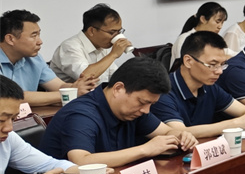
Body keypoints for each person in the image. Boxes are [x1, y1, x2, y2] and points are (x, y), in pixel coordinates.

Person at [41, 57, 196, 167]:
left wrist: (181, 136)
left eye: (151, 104)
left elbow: (167, 132)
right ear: (118, 88)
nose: (146, 110)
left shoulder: (136, 111)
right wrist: (145, 149)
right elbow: (81, 161)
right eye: (143, 102)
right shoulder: (81, 114)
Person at [153, 31, 245, 137]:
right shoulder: (163, 92)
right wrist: (236, 124)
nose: (219, 71)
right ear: (188, 61)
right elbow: (179, 132)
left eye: (222, 65)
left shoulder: (209, 87)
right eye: (212, 65)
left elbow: (244, 111)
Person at [0, 76, 81, 174]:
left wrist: (87, 172)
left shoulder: (8, 139)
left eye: (13, 119)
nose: (9, 128)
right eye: (1, 120)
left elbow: (50, 165)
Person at [49, 3, 134, 85]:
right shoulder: (69, 47)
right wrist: (113, 54)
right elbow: (85, 77)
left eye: (119, 31)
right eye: (112, 32)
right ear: (91, 31)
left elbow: (116, 78)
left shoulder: (102, 46)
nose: (117, 36)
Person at [0, 9, 71, 106]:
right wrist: (67, 94)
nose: (40, 42)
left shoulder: (35, 59)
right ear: (10, 39)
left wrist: (77, 88)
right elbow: (10, 98)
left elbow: (59, 86)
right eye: (34, 36)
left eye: (39, 35)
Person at [169, 2, 228, 66]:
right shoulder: (184, 39)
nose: (220, 26)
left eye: (222, 22)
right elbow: (183, 66)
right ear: (203, 19)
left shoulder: (215, 40)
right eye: (217, 21)